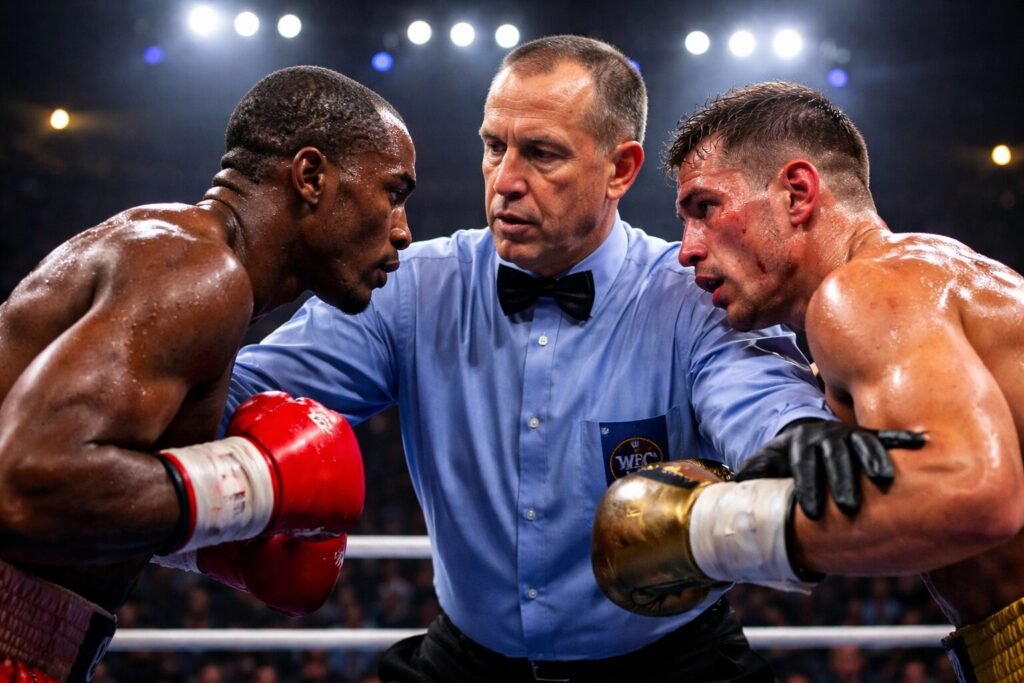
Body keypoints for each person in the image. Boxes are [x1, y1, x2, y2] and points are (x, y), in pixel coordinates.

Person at [227, 37, 905, 683]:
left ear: (620, 169)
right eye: (494, 148)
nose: (506, 181)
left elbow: (760, 399)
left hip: (673, 661)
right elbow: (236, 397)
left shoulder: (688, 293)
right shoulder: (412, 288)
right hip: (468, 658)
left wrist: (795, 438)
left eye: (542, 154)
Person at [592, 81, 1024, 682]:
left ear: (797, 193)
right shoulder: (931, 272)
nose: (687, 249)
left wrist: (710, 533)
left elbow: (978, 494)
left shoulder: (864, 291)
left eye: (705, 208)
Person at [0, 65, 415, 682]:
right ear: (310, 176)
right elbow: (25, 484)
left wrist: (207, 540)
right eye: (393, 192)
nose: (404, 231)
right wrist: (255, 486)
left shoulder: (177, 257)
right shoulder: (199, 272)